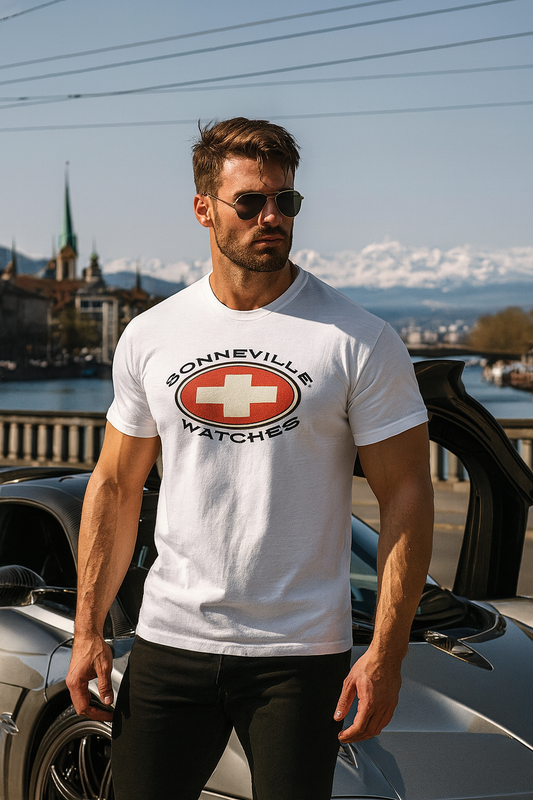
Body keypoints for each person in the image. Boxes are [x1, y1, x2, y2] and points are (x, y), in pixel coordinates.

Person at [66, 117, 433, 800]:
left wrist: (387, 651)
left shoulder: (359, 339)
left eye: (285, 201)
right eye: (252, 202)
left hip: (299, 656)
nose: (273, 217)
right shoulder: (152, 336)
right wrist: (89, 628)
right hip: (170, 640)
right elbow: (116, 486)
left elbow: (407, 496)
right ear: (204, 208)